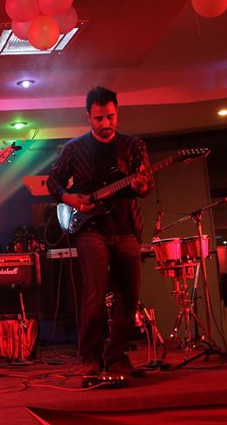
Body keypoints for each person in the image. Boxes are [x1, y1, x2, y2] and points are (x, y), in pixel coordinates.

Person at [46, 87, 153, 377]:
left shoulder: (133, 146)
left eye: (110, 117)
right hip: (91, 228)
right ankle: (90, 358)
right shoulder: (74, 149)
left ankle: (117, 356)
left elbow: (145, 186)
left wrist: (143, 185)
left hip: (126, 228)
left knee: (128, 296)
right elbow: (53, 182)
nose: (106, 123)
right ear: (88, 117)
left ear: (117, 112)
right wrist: (70, 199)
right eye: (99, 118)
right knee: (93, 293)